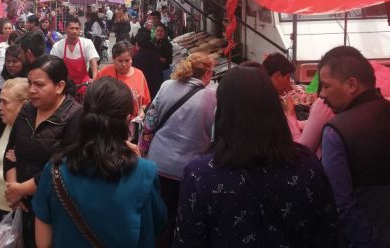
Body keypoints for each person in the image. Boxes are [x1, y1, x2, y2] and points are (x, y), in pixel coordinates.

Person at [173, 66, 338, 248]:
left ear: (223, 112)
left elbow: (188, 240)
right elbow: (329, 232)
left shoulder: (201, 175)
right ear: (274, 107)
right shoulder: (308, 165)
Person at [34, 76, 167, 247]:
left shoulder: (55, 169)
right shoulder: (145, 172)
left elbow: (43, 243)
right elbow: (157, 224)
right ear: (127, 120)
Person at [319, 46, 390, 247]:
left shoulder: (336, 131)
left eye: (326, 86)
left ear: (351, 85)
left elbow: (341, 205)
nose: (321, 94)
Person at [3, 55, 83, 248]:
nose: (31, 90)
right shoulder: (27, 110)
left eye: (39, 85)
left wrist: (21, 189)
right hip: (21, 205)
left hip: (54, 208)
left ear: (59, 86)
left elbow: (63, 167)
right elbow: (10, 153)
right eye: (30, 83)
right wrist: (13, 188)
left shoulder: (75, 115)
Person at [143, 53, 216, 247]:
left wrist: (143, 150)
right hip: (190, 172)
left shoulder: (167, 86)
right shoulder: (212, 97)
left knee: (160, 215)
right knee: (183, 218)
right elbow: (216, 136)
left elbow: (149, 122)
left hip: (158, 164)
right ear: (207, 73)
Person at [0, 78, 29, 229]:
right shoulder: (1, 125)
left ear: (23, 105)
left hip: (18, 211)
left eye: (5, 102)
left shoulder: (32, 135)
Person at [97, 41, 151, 137]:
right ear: (113, 59)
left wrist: (142, 110)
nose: (124, 64)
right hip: (106, 123)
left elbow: (145, 101)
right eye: (120, 61)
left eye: (127, 60)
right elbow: (95, 94)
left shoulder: (139, 74)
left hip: (130, 125)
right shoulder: (105, 72)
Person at [50, 17, 100, 99]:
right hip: (66, 87)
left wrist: (94, 78)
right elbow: (54, 65)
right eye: (71, 28)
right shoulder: (58, 46)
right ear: (66, 29)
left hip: (84, 85)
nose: (74, 31)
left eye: (77, 28)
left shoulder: (87, 43)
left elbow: (93, 61)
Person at [262, 53, 301, 139]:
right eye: (287, 78)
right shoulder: (266, 103)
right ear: (278, 75)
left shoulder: (266, 94)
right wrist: (291, 113)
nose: (289, 83)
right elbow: (295, 141)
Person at [132, 30, 164, 99]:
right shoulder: (155, 53)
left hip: (144, 88)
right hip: (156, 87)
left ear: (137, 43)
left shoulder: (137, 57)